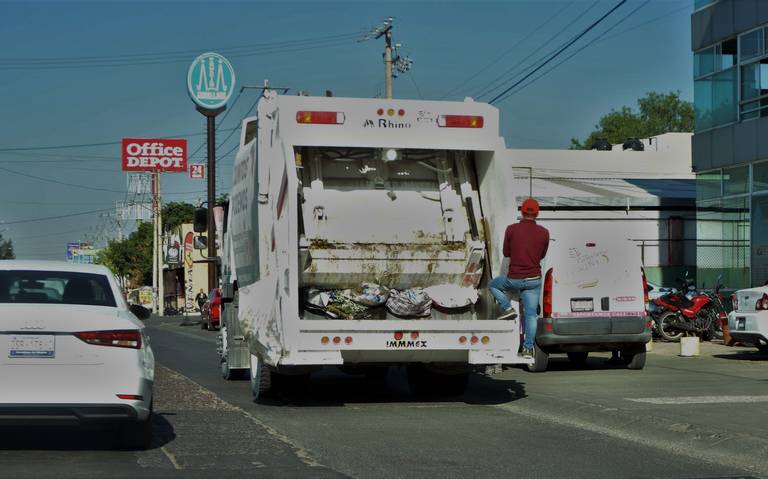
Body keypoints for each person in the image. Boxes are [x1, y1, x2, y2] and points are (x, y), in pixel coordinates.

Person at [488, 198, 550, 359]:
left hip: (514, 279)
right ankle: (528, 348)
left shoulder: (511, 229)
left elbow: (506, 253)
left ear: (521, 212)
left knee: (493, 285)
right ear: (537, 213)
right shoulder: (544, 232)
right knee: (530, 315)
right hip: (533, 280)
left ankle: (507, 308)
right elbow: (542, 255)